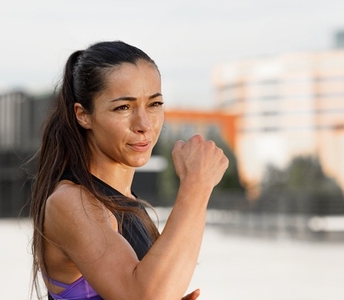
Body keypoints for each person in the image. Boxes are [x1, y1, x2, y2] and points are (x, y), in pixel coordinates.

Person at [30, 40, 229, 300]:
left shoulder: (129, 204)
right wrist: (197, 184)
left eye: (154, 104)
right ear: (83, 115)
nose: (144, 124)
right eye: (123, 107)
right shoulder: (71, 201)